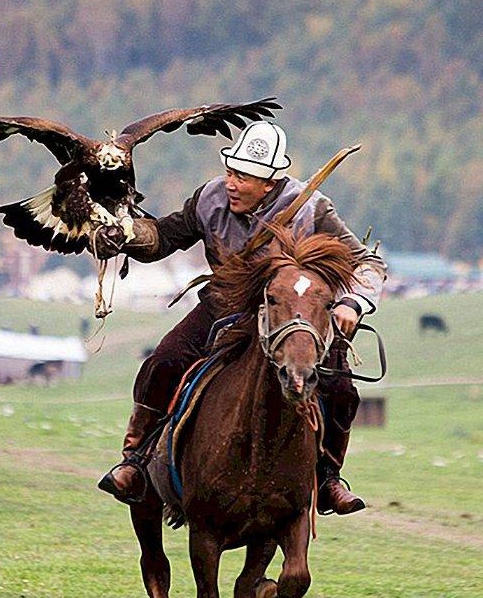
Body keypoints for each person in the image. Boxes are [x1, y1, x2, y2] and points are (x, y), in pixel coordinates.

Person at [96, 121, 386, 515]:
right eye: (230, 171)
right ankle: (134, 461)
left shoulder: (313, 207)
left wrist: (352, 302)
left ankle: (328, 477)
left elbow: (367, 261)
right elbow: (164, 238)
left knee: (340, 391)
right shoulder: (209, 198)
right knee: (162, 363)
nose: (231, 183)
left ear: (269, 183)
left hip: (287, 315)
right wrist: (125, 234)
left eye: (243, 177)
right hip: (223, 305)